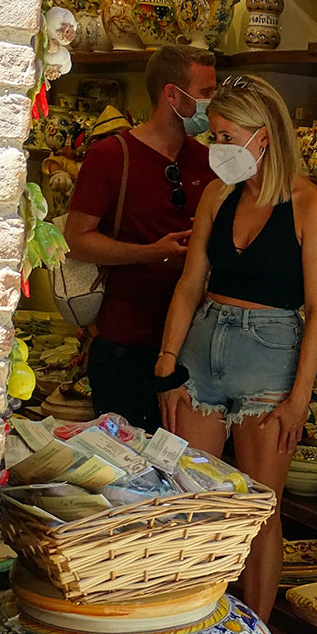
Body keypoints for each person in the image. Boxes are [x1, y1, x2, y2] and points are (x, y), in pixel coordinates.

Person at [154, 74, 317, 619]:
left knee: (260, 511)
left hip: (270, 354)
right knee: (192, 501)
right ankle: (193, 627)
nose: (218, 148)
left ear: (265, 136)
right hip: (203, 346)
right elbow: (190, 283)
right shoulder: (218, 194)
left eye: (227, 137)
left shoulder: (310, 204)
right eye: (214, 136)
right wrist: (166, 364)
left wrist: (300, 398)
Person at [65, 45, 216, 432]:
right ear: (172, 95)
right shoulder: (111, 155)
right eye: (205, 93)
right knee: (124, 463)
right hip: (124, 344)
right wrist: (153, 252)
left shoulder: (210, 161)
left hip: (193, 348)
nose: (212, 103)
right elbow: (76, 240)